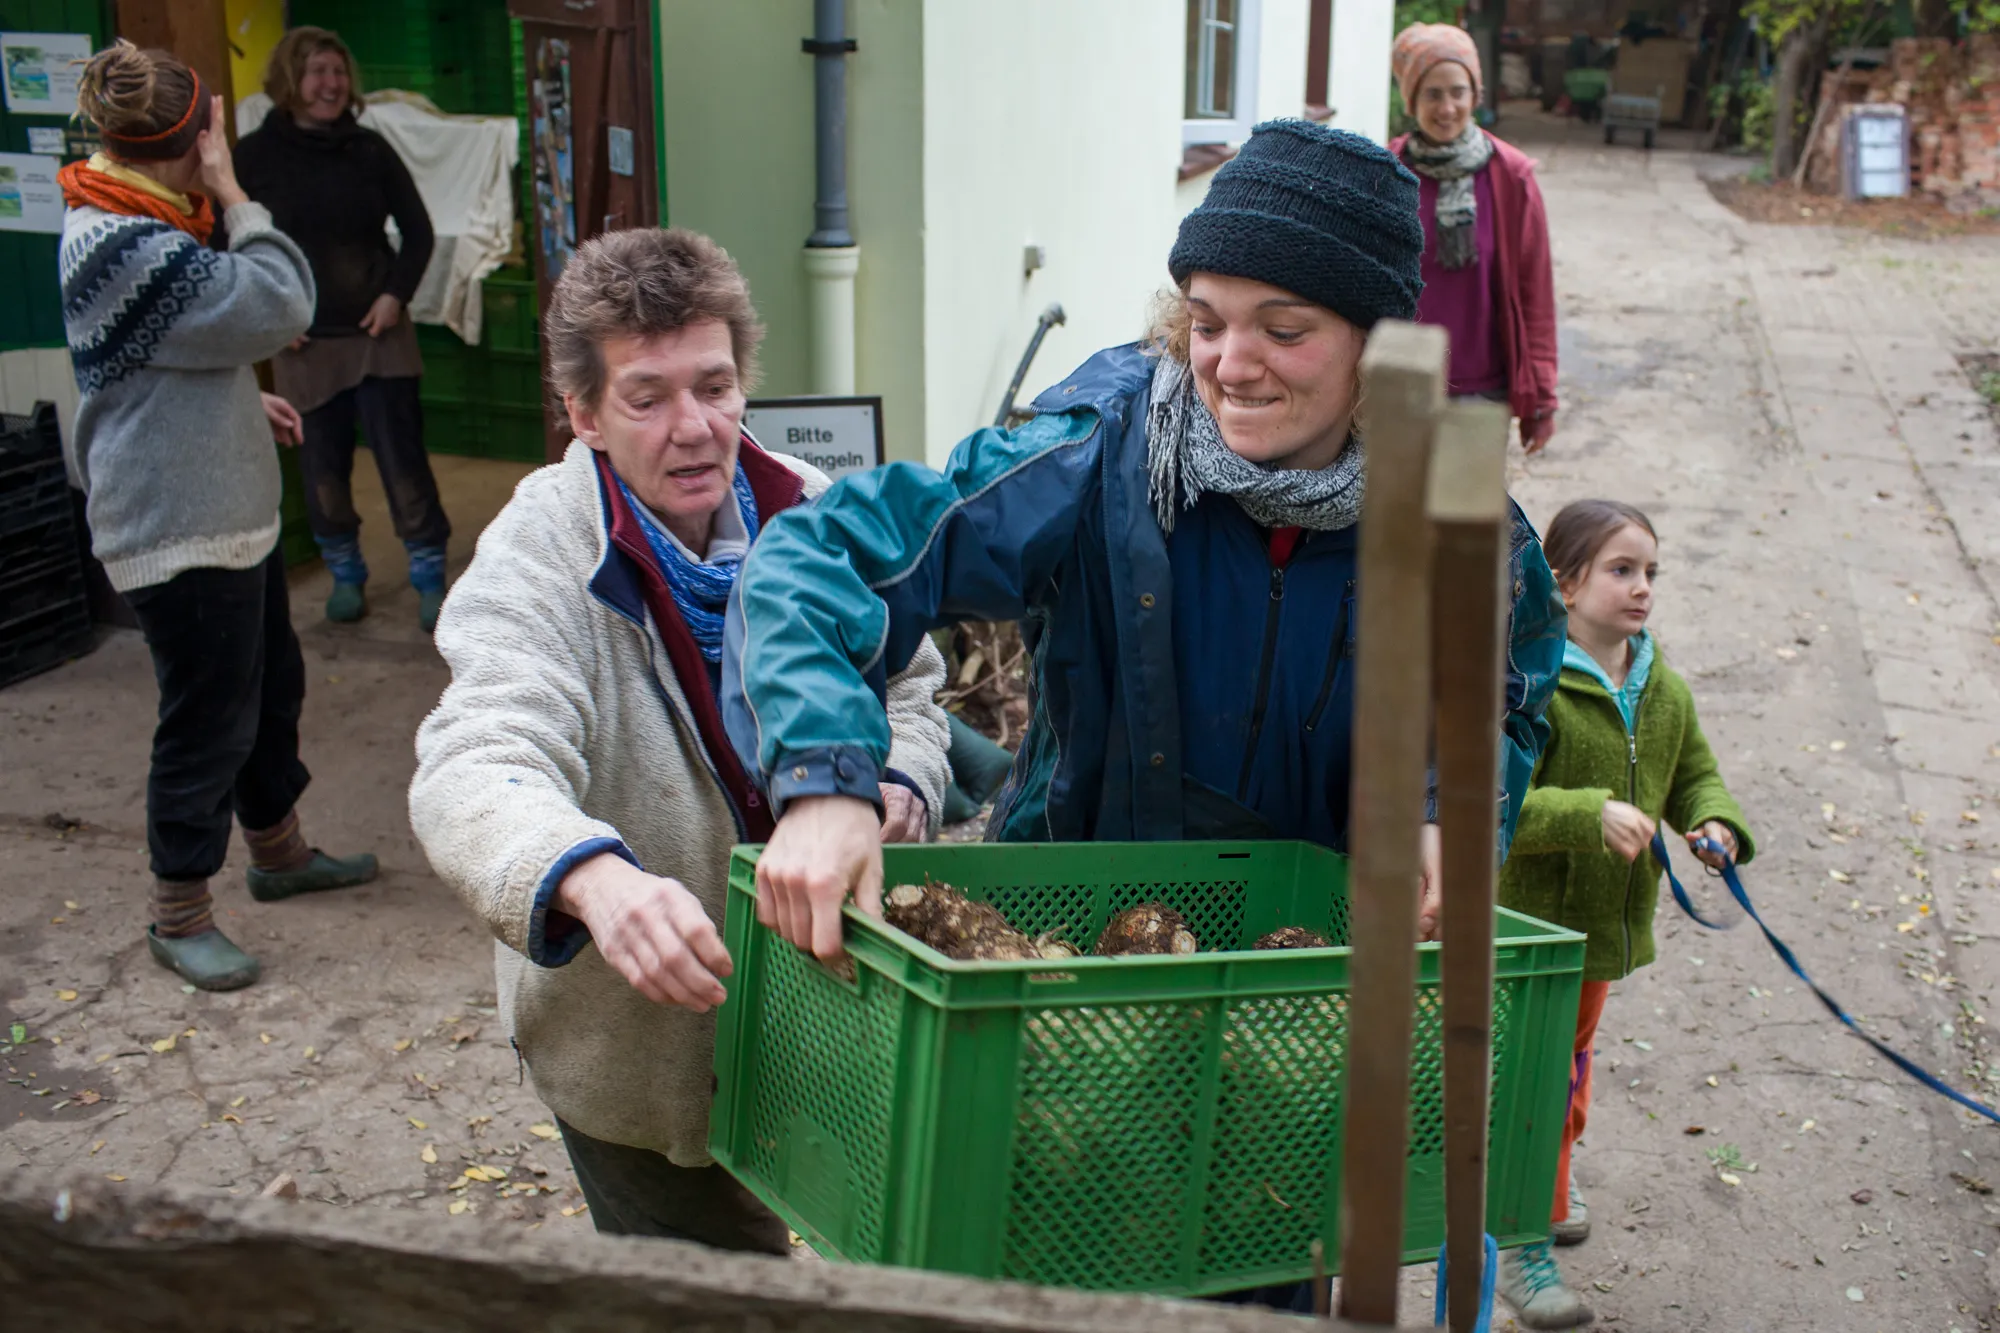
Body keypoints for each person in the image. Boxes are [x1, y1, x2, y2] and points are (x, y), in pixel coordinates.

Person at [723, 121, 1568, 1308]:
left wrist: (1447, 810)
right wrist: (821, 779)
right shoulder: (1099, 451)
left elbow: (1506, 682)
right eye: (1207, 318)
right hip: (1070, 967)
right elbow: (821, 557)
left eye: (1284, 328)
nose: (1230, 361)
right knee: (1042, 1266)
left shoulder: (1453, 505)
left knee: (1254, 1271)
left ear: (1378, 348)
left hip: (1290, 996)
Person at [408, 228, 950, 1246]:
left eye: (713, 386)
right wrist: (593, 880)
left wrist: (899, 783)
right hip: (638, 1056)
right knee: (706, 1285)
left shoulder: (813, 512)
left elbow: (912, 689)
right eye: (646, 398)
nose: (693, 428)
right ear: (584, 414)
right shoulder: (540, 553)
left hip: (830, 1019)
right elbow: (478, 759)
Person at [57, 41, 379, 992]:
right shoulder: (124, 242)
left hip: (223, 509)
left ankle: (279, 852)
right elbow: (281, 299)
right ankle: (180, 912)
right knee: (207, 720)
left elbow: (180, 355)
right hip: (175, 524)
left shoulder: (141, 214)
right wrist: (237, 193)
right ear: (195, 137)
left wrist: (245, 400)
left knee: (268, 690)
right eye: (211, 136)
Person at [1494, 499, 1754, 1328]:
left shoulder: (1659, 684)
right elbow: (1492, 807)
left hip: (1600, 935)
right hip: (1528, 938)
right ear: (1563, 584)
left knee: (1569, 1076)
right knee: (1529, 1089)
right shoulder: (1531, 686)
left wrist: (1713, 824)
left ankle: (1549, 1182)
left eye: (1650, 572)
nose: (1642, 588)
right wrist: (1588, 812)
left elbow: (1693, 776)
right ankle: (1517, 1239)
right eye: (1621, 569)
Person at [236, 26, 450, 631]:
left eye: (338, 71)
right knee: (322, 472)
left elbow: (419, 233)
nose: (330, 85)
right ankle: (346, 574)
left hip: (379, 339)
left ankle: (430, 576)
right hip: (302, 345)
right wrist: (270, 319)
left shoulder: (370, 151)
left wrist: (394, 296)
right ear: (289, 81)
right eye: (316, 72)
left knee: (404, 464)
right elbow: (230, 247)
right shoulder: (253, 158)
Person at [1390, 23, 1560, 455]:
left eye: (1458, 92)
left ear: (1475, 95)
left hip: (1481, 391)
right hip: (1397, 384)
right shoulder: (1386, 171)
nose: (1447, 107)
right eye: (1432, 94)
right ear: (1411, 99)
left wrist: (1541, 397)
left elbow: (1534, 293)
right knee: (1393, 518)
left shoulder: (1510, 176)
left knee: (1463, 519)